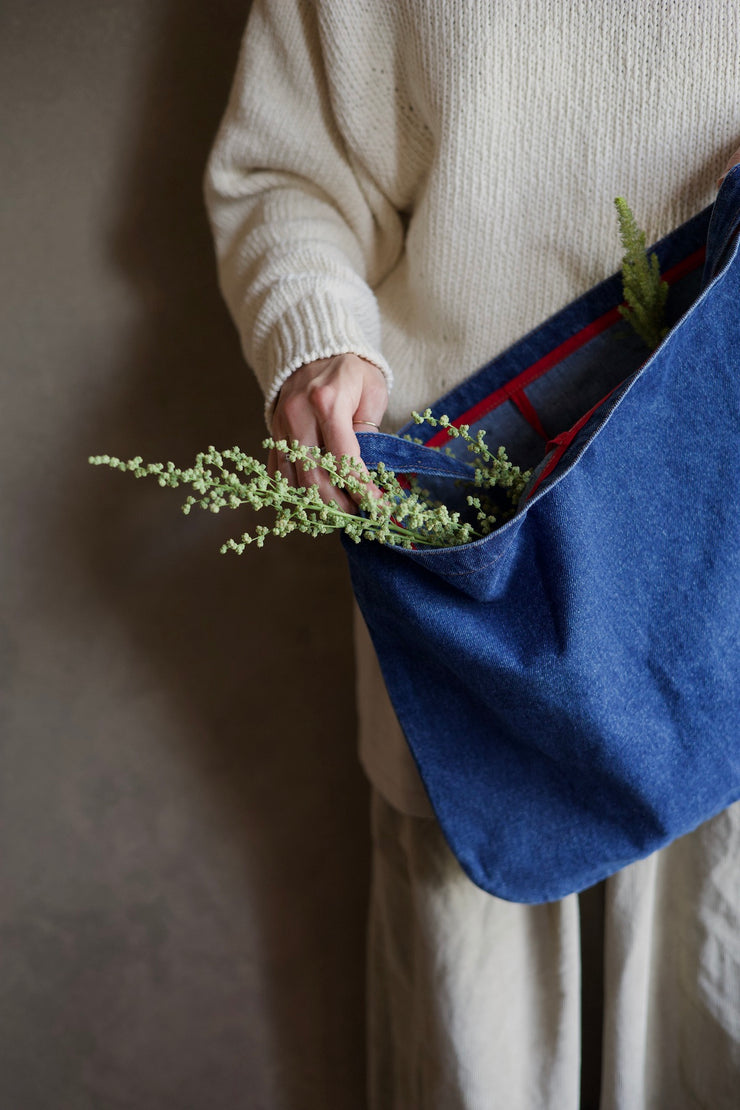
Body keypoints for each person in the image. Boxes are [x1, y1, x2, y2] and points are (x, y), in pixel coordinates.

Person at [205, 3, 740, 1106]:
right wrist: (313, 334)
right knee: (482, 1026)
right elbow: (283, 171)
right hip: (472, 560)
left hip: (721, 535)